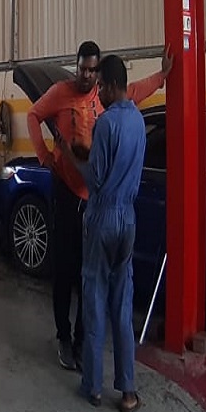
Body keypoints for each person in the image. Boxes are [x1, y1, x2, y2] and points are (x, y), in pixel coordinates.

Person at [27, 41, 171, 371]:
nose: (87, 76)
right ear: (76, 66)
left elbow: (135, 91)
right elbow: (33, 115)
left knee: (87, 275)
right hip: (66, 193)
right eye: (83, 69)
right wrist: (44, 156)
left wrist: (162, 75)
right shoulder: (60, 92)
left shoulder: (104, 96)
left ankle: (81, 341)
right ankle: (64, 336)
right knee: (64, 269)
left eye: (93, 71)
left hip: (92, 200)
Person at [59, 54, 148, 412]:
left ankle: (93, 387)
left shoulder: (106, 122)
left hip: (103, 218)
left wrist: (70, 155)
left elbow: (94, 180)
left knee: (94, 299)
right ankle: (128, 392)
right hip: (128, 218)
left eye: (101, 88)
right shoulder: (138, 120)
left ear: (111, 85)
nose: (98, 93)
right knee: (122, 305)